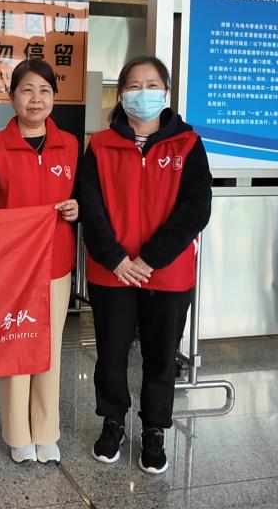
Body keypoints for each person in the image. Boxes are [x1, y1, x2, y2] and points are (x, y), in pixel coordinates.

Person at [77, 55, 212, 475]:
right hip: (112, 272)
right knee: (110, 355)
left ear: (165, 93)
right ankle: (113, 421)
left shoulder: (187, 144)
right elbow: (89, 206)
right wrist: (117, 258)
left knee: (161, 357)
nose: (143, 93)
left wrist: (149, 258)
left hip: (166, 273)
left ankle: (155, 428)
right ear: (121, 94)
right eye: (134, 85)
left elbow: (196, 208)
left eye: (152, 85)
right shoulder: (100, 145)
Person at [0, 59, 79, 465]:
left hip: (56, 263)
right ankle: (17, 434)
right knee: (14, 347)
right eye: (26, 90)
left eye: (44, 90)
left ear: (54, 97)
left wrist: (78, 208)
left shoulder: (70, 145)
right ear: (12, 97)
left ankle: (46, 431)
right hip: (11, 267)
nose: (36, 99)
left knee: (49, 348)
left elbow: (85, 195)